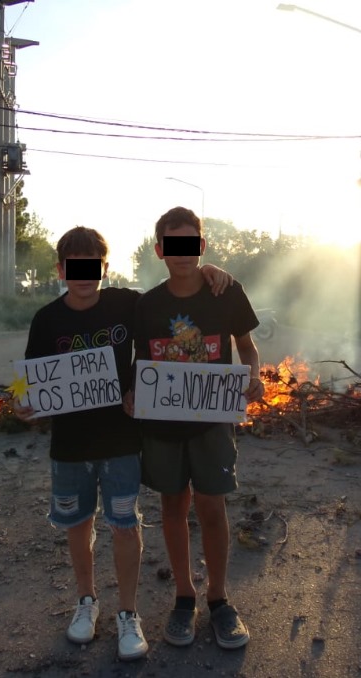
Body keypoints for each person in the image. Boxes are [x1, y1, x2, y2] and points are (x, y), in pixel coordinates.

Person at [18, 226, 234, 660]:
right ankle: (86, 602)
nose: (83, 275)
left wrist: (206, 270)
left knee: (124, 526)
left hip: (121, 443)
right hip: (70, 447)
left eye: (92, 266)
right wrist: (21, 402)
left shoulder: (126, 304)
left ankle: (127, 613)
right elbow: (30, 376)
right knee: (79, 526)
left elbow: (172, 294)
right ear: (60, 270)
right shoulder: (46, 319)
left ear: (103, 267)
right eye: (74, 267)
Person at [131, 207, 263, 651]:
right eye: (174, 245)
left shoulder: (226, 293)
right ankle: (184, 597)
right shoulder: (146, 305)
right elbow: (137, 363)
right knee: (173, 505)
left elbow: (247, 348)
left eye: (191, 245)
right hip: (163, 428)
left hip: (213, 423)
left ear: (202, 247)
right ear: (160, 250)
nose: (183, 254)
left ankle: (220, 599)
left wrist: (254, 375)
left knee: (211, 506)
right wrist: (131, 394)